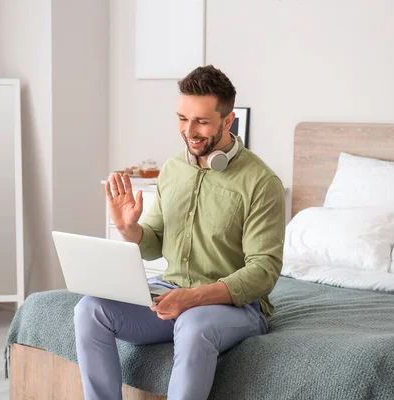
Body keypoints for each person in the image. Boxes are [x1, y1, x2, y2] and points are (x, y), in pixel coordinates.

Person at [74, 65, 286, 400]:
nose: (189, 131)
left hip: (237, 308)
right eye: (182, 119)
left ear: (228, 121)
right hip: (171, 292)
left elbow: (264, 272)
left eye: (201, 121)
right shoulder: (173, 169)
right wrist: (129, 230)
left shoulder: (261, 182)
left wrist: (193, 299)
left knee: (194, 324)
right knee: (89, 309)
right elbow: (155, 241)